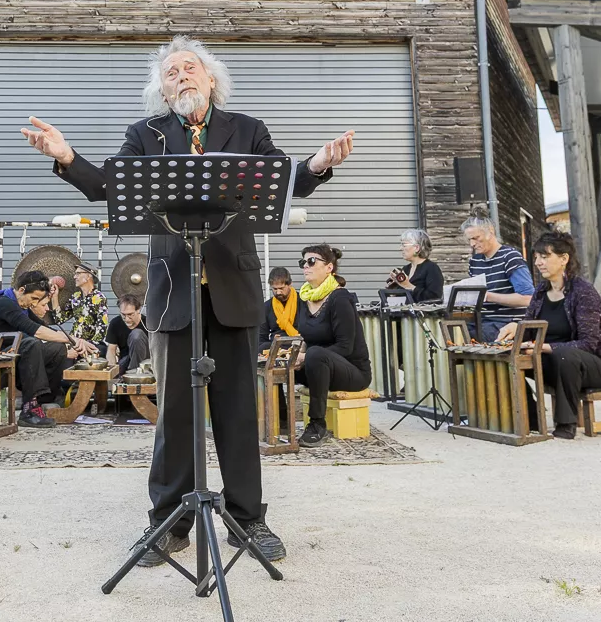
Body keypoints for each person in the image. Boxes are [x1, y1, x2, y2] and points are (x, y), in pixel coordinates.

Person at [21, 34, 354, 566]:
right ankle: (169, 523)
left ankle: (248, 519)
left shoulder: (247, 129)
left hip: (233, 291)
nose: (181, 77)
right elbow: (108, 186)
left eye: (189, 68)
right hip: (173, 290)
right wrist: (67, 157)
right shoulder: (145, 134)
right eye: (171, 72)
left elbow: (283, 181)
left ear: (211, 79)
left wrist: (315, 164)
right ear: (163, 88)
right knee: (174, 414)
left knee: (238, 411)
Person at [496, 230, 601, 440]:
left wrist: (544, 347)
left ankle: (566, 424)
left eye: (545, 256)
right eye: (537, 257)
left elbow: (589, 343)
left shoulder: (583, 292)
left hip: (594, 365)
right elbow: (529, 329)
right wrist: (515, 328)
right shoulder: (540, 292)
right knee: (507, 357)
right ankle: (531, 420)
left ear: (564, 259)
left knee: (564, 356)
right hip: (554, 362)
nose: (538, 262)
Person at [0, 270, 93, 427]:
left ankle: (43, 400)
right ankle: (29, 410)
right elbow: (37, 331)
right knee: (31, 344)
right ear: (21, 290)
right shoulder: (4, 303)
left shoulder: (22, 306)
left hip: (6, 359)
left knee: (57, 348)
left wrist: (77, 341)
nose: (34, 303)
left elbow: (47, 329)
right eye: (34, 298)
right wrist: (74, 340)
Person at [291, 245, 372, 447]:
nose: (306, 266)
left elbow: (345, 346)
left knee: (315, 354)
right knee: (271, 357)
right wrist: (297, 354)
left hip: (351, 372)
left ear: (329, 267)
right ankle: (279, 421)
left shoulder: (340, 298)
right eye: (303, 262)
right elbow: (305, 338)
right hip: (317, 367)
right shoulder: (304, 297)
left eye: (311, 261)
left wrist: (307, 356)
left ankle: (317, 424)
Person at [463, 216, 535, 341]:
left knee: (468, 337)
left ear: (490, 231)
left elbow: (528, 298)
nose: (472, 244)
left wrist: (487, 296)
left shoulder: (511, 258)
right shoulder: (475, 262)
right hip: (482, 321)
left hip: (508, 323)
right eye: (469, 239)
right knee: (448, 332)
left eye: (476, 238)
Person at [57, 263, 109, 354]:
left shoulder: (99, 298)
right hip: (74, 343)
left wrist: (89, 345)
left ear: (88, 276)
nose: (74, 277)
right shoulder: (75, 297)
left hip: (90, 346)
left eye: (78, 273)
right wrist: (54, 296)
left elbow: (102, 328)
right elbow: (60, 319)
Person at [386, 228, 444, 303]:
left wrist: (408, 285)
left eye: (404, 245)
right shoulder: (406, 269)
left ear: (417, 248)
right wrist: (393, 290)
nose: (400, 248)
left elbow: (435, 298)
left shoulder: (432, 268)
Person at [105, 294, 150, 374]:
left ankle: (134, 374)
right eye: (123, 314)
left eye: (130, 314)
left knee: (137, 334)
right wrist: (112, 370)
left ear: (138, 310)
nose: (127, 319)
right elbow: (111, 350)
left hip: (146, 363)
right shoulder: (115, 323)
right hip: (126, 362)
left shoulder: (148, 324)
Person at [258, 267, 297, 354]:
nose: (278, 292)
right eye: (275, 289)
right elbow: (261, 337)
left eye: (281, 288)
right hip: (275, 348)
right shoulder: (267, 306)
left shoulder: (302, 302)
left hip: (298, 344)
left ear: (290, 284)